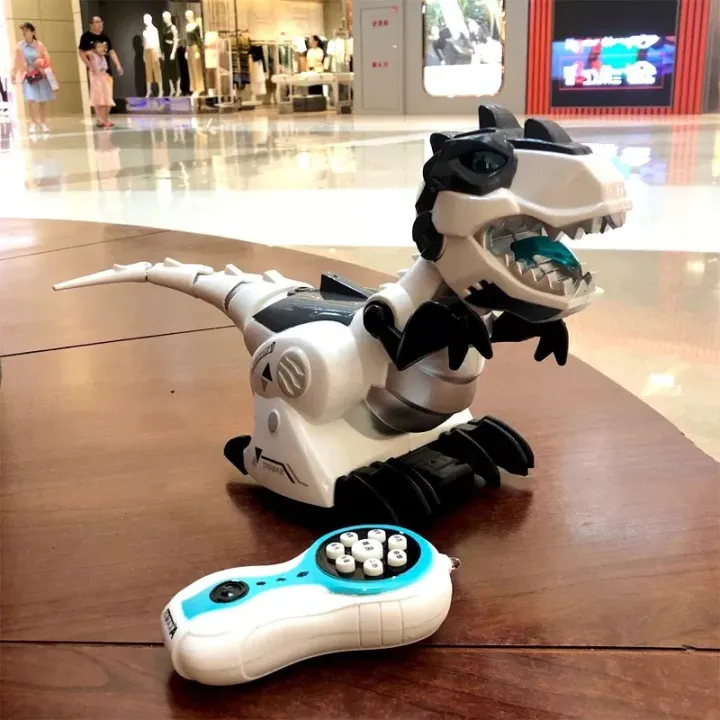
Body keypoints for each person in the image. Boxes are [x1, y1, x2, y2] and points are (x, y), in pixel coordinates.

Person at [79, 16, 123, 126]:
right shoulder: (86, 37)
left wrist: (118, 65)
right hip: (95, 71)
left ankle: (106, 119)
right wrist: (89, 65)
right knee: (98, 95)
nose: (100, 24)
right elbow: (81, 52)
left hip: (106, 71)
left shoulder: (105, 37)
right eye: (97, 22)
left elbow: (111, 52)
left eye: (101, 22)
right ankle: (99, 119)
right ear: (91, 24)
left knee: (108, 95)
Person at [11, 22, 55, 133]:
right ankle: (33, 123)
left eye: (26, 30)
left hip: (40, 75)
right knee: (31, 100)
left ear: (33, 32)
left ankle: (43, 123)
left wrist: (40, 63)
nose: (24, 32)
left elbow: (47, 58)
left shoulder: (40, 45)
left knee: (42, 100)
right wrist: (13, 73)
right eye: (23, 30)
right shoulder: (19, 46)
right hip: (28, 76)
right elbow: (16, 60)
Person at [88, 41, 115, 129]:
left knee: (106, 100)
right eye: (99, 47)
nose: (102, 49)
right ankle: (100, 119)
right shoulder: (93, 56)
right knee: (99, 100)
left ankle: (104, 119)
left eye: (102, 47)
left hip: (104, 79)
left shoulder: (103, 57)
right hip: (97, 80)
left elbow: (104, 69)